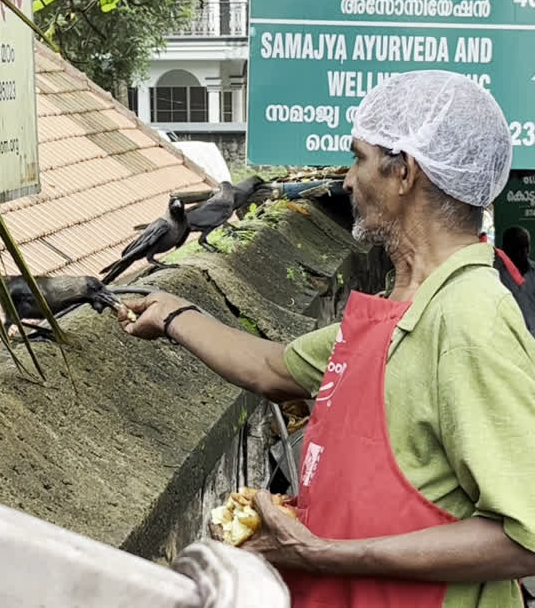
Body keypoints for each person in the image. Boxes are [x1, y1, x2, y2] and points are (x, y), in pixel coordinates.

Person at [119, 70, 535, 608]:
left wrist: (323, 553)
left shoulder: (471, 317)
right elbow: (273, 369)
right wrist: (175, 314)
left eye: (358, 158)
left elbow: (523, 537)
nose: (346, 181)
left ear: (403, 171)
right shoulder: (403, 307)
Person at [495, 226, 535, 336]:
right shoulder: (496, 276)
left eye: (526, 247)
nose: (524, 252)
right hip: (512, 341)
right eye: (518, 248)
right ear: (506, 249)